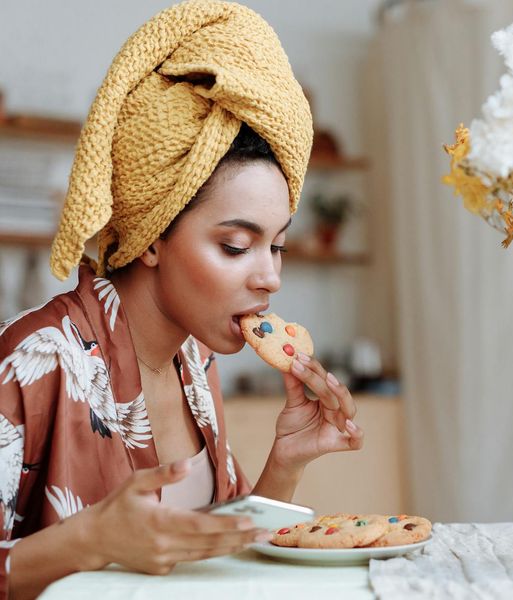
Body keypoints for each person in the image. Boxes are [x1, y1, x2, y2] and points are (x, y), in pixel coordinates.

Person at [0, 2, 364, 598]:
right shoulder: (34, 360)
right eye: (234, 245)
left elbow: (214, 559)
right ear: (151, 238)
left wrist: (287, 462)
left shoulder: (194, 362)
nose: (269, 276)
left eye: (277, 247)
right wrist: (88, 540)